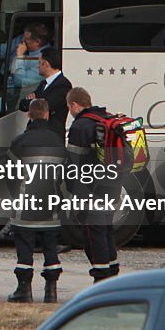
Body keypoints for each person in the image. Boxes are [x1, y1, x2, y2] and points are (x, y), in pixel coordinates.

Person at [7, 99, 66, 303]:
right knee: (50, 247)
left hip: (25, 206)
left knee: (25, 248)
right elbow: (64, 175)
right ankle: (51, 291)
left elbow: (9, 175)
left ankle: (24, 290)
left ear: (29, 115)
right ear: (48, 115)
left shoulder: (19, 142)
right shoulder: (58, 141)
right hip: (51, 205)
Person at [66, 87, 120, 282]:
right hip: (113, 184)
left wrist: (72, 189)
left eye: (69, 108)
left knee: (92, 232)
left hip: (90, 187)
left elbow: (73, 162)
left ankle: (101, 277)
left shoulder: (80, 126)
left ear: (74, 105)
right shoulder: (108, 119)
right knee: (105, 228)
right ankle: (112, 271)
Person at [20, 47, 71, 139]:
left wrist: (33, 100)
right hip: (36, 134)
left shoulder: (63, 84)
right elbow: (22, 104)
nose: (37, 66)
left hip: (51, 137)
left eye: (39, 62)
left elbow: (44, 107)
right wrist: (36, 101)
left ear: (46, 64)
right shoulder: (43, 84)